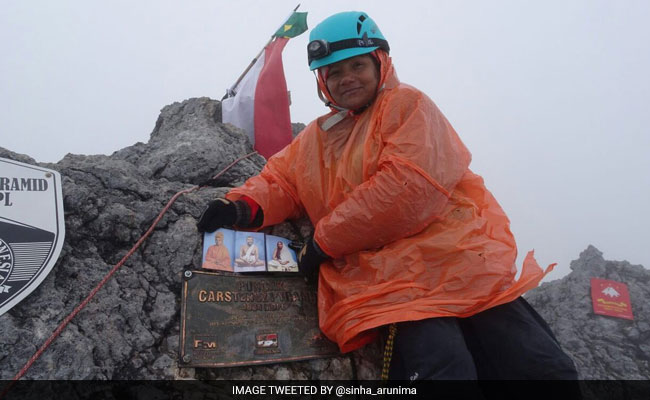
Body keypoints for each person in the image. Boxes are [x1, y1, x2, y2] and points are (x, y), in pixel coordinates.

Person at [197, 11, 578, 382]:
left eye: (357, 65)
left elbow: (407, 188)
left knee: (541, 369)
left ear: (380, 62)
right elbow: (282, 180)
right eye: (334, 71)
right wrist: (240, 206)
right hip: (395, 283)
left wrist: (324, 242)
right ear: (322, 80)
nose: (346, 78)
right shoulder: (316, 137)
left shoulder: (407, 105)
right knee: (443, 374)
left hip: (460, 263)